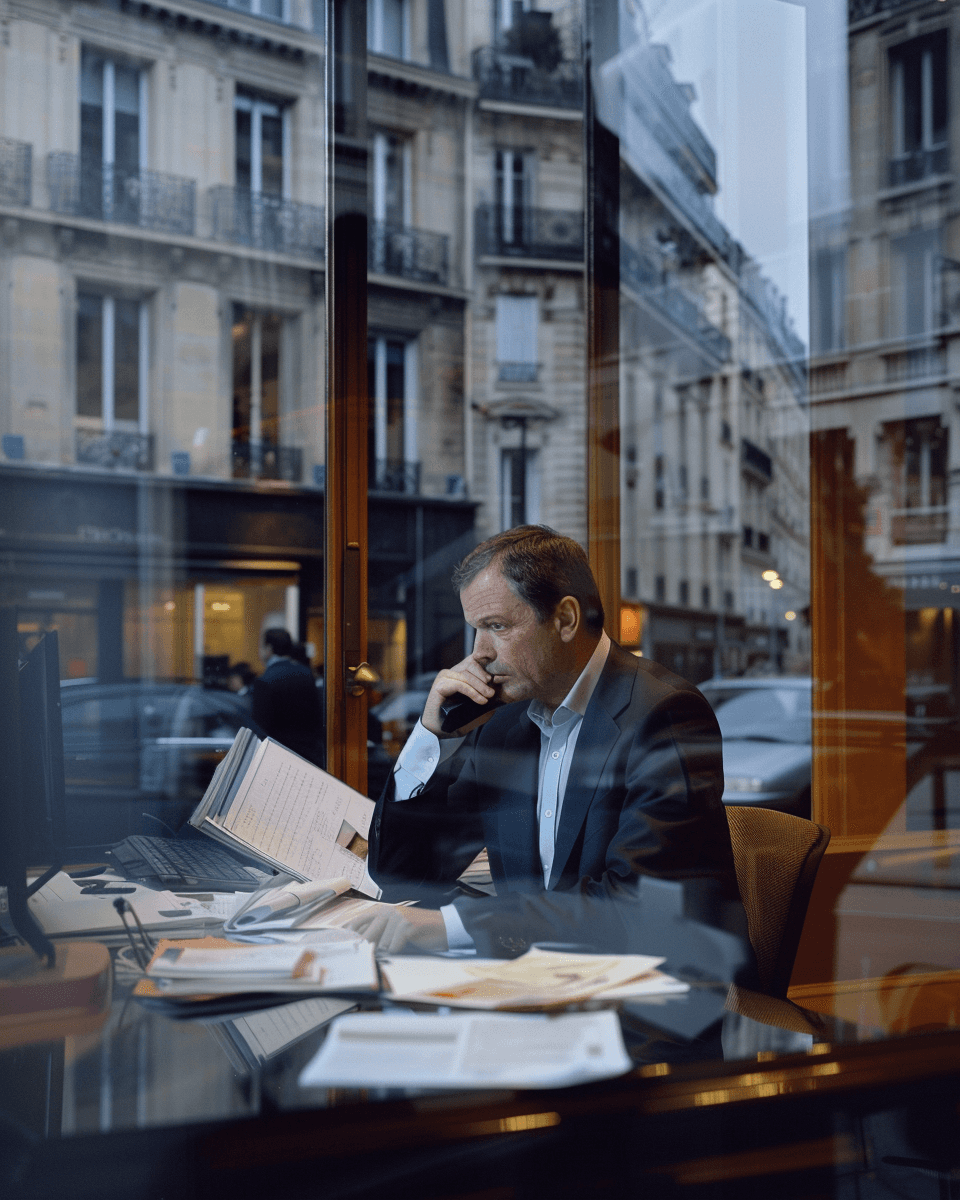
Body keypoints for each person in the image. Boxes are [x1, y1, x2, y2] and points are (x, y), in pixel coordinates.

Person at [351, 525, 746, 960]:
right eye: (474, 630)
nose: (478, 653)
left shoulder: (665, 715)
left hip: (647, 996)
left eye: (496, 626)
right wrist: (433, 739)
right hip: (540, 980)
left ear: (565, 620)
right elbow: (402, 873)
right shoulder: (504, 721)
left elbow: (636, 906)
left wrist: (454, 926)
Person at [251, 628, 324, 767]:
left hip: (278, 757)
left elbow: (260, 727)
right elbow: (316, 715)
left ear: (269, 649)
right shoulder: (306, 674)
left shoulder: (264, 681)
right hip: (309, 754)